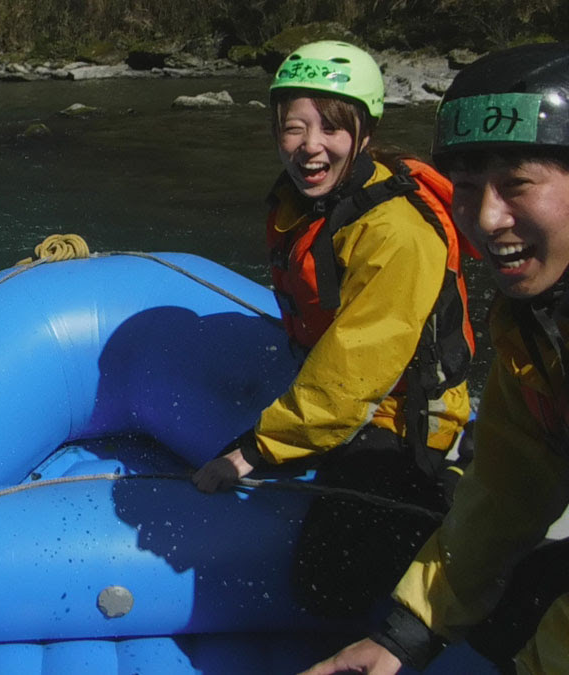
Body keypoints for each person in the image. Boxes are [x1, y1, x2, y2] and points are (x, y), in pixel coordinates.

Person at [305, 43, 569, 675]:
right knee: (515, 597)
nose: (486, 219)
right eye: (470, 188)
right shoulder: (534, 327)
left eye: (516, 185)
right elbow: (508, 488)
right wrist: (404, 638)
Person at [192, 40, 476, 618]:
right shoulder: (302, 201)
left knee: (326, 585)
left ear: (364, 134)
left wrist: (256, 449)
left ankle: (449, 484)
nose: (310, 147)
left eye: (332, 128)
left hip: (403, 419)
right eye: (295, 127)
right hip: (336, 389)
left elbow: (358, 363)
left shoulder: (395, 230)